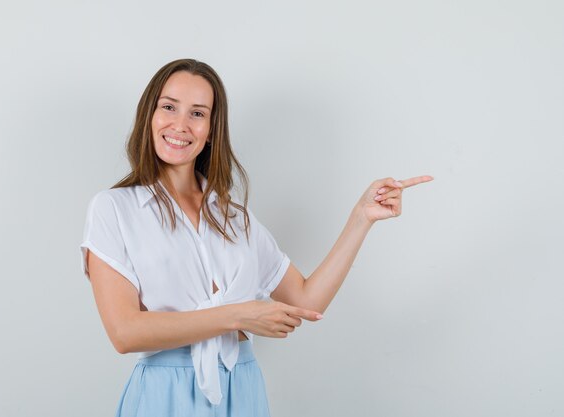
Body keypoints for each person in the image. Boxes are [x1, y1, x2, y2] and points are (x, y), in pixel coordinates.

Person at [79, 58, 433, 417]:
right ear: (149, 115)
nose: (180, 125)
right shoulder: (114, 209)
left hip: (243, 389)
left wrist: (361, 218)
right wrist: (238, 316)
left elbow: (307, 299)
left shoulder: (235, 219)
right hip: (164, 394)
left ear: (212, 129)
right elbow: (124, 332)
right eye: (169, 107)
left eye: (198, 113)